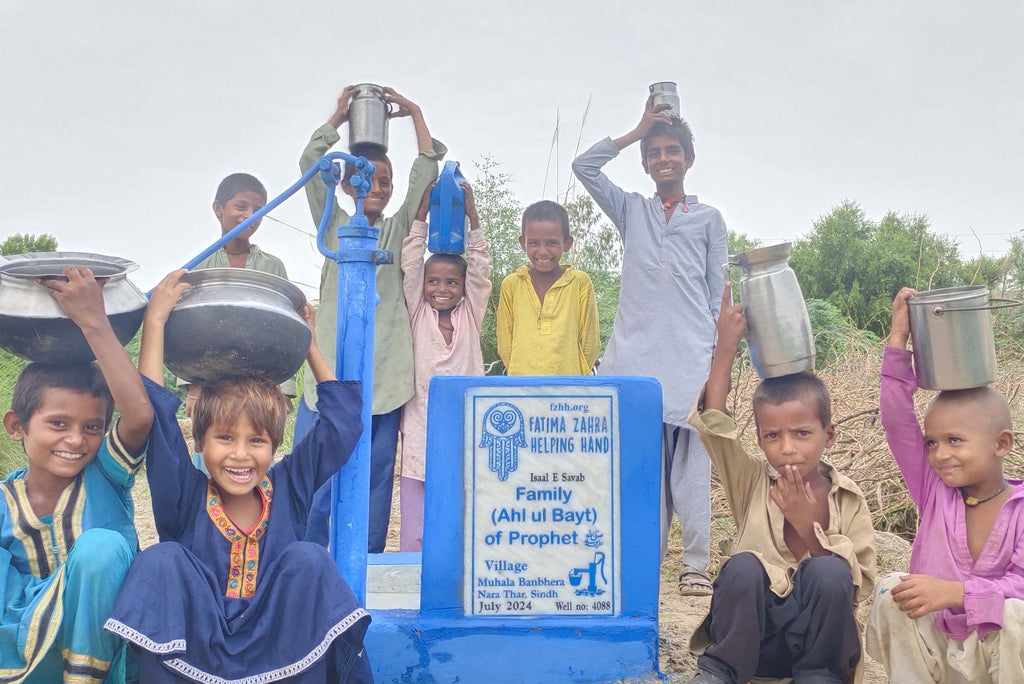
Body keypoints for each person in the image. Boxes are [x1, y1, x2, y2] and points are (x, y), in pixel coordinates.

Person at [103, 270, 370, 682]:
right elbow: (157, 419)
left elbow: (342, 426)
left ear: (276, 445)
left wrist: (309, 346)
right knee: (163, 558)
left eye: (258, 441)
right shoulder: (184, 494)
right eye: (225, 438)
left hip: (279, 647)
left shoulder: (288, 486)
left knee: (309, 558)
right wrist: (154, 323)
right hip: (195, 648)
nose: (241, 455)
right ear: (199, 442)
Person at [572, 93, 727, 594]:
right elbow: (585, 166)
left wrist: (713, 367)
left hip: (689, 360)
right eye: (654, 152)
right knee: (645, 474)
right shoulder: (631, 211)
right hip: (634, 362)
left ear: (689, 159)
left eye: (672, 150)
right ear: (644, 163)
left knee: (692, 471)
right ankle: (646, 563)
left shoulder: (708, 220)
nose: (664, 158)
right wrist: (636, 130)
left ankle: (696, 567)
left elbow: (713, 292)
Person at [684, 283, 876, 684]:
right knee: (742, 567)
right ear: (759, 440)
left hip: (815, 653)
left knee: (830, 573)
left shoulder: (849, 499)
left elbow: (856, 590)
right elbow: (715, 424)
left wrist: (807, 525)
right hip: (755, 652)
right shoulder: (751, 480)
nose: (787, 448)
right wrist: (725, 347)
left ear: (830, 434)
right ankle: (720, 674)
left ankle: (820, 679)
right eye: (772, 436)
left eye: (802, 433)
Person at [296, 85, 446, 551]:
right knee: (315, 471)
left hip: (385, 377)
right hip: (331, 373)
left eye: (384, 182)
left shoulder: (398, 231)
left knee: (376, 477)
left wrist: (416, 112)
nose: (375, 188)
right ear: (346, 182)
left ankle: (367, 562)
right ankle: (306, 559)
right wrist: (341, 116)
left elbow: (426, 173)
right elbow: (308, 164)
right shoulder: (333, 224)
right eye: (366, 179)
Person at [0, 266, 152, 682]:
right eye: (58, 424)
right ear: (17, 426)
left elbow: (138, 416)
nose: (76, 440)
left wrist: (93, 321)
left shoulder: (106, 474)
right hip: (23, 657)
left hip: (100, 657)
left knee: (100, 548)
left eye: (91, 427)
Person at [865, 287, 1024, 682]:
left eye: (955, 441)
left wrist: (956, 593)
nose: (940, 454)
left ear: (1000, 443)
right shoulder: (935, 490)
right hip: (938, 653)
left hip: (997, 663)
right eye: (933, 442)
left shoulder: (1020, 508)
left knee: (1016, 613)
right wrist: (898, 340)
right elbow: (897, 421)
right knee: (891, 590)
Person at [399, 181, 491, 550]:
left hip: (464, 427)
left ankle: (457, 563)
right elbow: (410, 264)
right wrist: (421, 215)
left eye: (452, 282)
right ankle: (412, 567)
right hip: (420, 424)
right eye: (433, 280)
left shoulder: (471, 314)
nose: (442, 288)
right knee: (416, 514)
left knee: (461, 503)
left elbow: (481, 269)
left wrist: (473, 216)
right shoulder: (417, 313)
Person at [178, 172, 297, 430]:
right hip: (212, 385)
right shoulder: (200, 266)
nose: (249, 216)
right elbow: (189, 332)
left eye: (258, 210)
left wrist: (283, 390)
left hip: (260, 386)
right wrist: (193, 389)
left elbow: (283, 333)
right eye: (241, 206)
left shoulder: (272, 267)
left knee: (255, 447)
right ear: (218, 209)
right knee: (209, 450)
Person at [496, 200, 600, 375]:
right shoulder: (512, 284)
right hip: (522, 387)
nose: (543, 251)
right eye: (534, 243)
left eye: (551, 243)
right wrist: (520, 374)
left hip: (568, 387)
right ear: (523, 243)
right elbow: (505, 341)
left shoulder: (579, 283)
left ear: (567, 243)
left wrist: (576, 376)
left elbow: (590, 341)